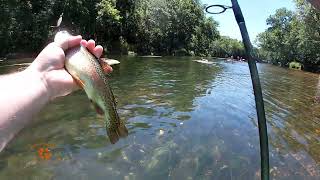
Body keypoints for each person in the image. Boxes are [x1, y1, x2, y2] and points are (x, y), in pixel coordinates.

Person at [0, 35, 111, 152]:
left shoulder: (71, 48)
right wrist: (43, 77)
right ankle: (112, 121)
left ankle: (112, 120)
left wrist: (43, 78)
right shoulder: (71, 50)